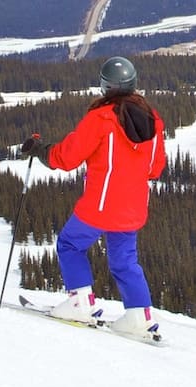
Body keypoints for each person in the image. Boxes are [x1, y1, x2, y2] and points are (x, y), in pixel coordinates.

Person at [17, 56, 167, 341]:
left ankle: (80, 302)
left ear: (105, 86)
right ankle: (139, 316)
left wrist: (39, 150)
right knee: (124, 260)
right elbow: (155, 168)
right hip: (134, 205)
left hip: (100, 204)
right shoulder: (153, 120)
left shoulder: (101, 118)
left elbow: (68, 156)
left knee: (70, 244)